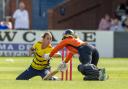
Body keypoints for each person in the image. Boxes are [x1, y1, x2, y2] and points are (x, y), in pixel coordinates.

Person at [44, 29, 108, 81]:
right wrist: (65, 62)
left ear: (65, 35)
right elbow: (71, 53)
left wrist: (49, 55)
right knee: (89, 73)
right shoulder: (76, 41)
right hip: (94, 49)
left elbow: (57, 48)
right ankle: (99, 75)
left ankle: (99, 72)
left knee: (82, 67)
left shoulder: (66, 40)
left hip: (84, 49)